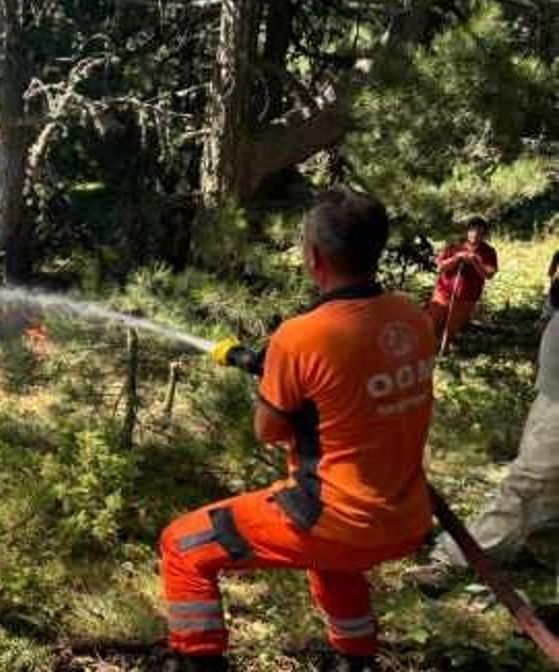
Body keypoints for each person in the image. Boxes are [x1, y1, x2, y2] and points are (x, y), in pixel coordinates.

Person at [160, 189, 437, 672]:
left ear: (313, 257)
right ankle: (355, 660)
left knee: (183, 545)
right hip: (408, 517)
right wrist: (287, 373)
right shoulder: (411, 316)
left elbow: (269, 430)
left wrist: (280, 375)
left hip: (336, 520)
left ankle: (196, 661)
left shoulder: (300, 337)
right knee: (333, 562)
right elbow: (355, 392)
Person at [409, 270, 559, 590]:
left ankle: (456, 558)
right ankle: (541, 550)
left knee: (531, 482)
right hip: (554, 387)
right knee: (538, 484)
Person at [425, 217, 498, 348]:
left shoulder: (488, 252)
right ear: (467, 231)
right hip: (444, 294)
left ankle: (442, 353)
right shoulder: (454, 246)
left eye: (479, 232)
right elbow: (440, 266)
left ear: (484, 234)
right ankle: (423, 349)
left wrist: (475, 261)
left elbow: (489, 274)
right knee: (431, 323)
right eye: (472, 231)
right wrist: (457, 258)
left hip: (467, 298)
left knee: (451, 330)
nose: (475, 235)